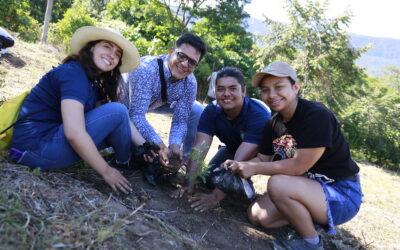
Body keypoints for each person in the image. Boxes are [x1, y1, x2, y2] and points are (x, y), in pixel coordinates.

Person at [223, 62, 363, 249]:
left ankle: (311, 243)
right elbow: (263, 159)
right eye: (265, 90)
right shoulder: (273, 124)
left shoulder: (316, 115)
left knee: (278, 183)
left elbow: (298, 166)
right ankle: (308, 221)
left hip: (341, 193)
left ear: (295, 87)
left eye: (279, 87)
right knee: (257, 216)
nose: (271, 95)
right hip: (307, 188)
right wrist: (239, 165)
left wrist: (254, 168)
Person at [10, 26, 147, 194]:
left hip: (44, 144)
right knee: (117, 110)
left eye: (118, 53)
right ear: (91, 47)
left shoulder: (91, 81)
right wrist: (106, 171)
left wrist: (146, 147)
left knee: (118, 113)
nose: (112, 55)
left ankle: (127, 161)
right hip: (35, 149)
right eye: (107, 46)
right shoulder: (74, 73)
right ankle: (123, 163)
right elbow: (74, 132)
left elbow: (120, 119)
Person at [171, 67, 271, 212]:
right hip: (231, 150)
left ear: (243, 91)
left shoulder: (258, 114)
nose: (226, 94)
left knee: (228, 180)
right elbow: (199, 149)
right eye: (221, 89)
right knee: (211, 178)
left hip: (261, 158)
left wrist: (214, 198)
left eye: (232, 88)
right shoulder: (212, 111)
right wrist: (189, 184)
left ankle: (245, 186)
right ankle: (232, 182)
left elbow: (240, 160)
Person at [119, 33, 206, 168]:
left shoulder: (190, 83)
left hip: (154, 103)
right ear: (171, 51)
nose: (184, 64)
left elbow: (180, 121)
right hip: (124, 103)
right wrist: (159, 145)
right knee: (133, 154)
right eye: (181, 56)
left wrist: (174, 145)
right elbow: (136, 115)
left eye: (192, 62)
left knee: (197, 110)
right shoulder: (147, 69)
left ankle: (185, 162)